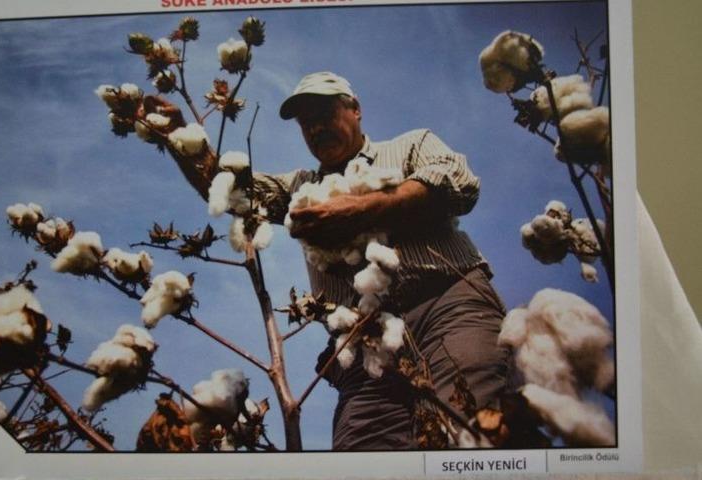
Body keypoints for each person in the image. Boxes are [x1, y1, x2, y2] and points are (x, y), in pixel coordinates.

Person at [160, 71, 510, 450]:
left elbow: (458, 181)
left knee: (469, 437)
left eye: (324, 114)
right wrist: (179, 137)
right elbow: (232, 193)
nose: (315, 127)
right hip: (363, 349)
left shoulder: (410, 146)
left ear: (355, 109)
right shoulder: (299, 189)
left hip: (446, 310)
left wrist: (362, 210)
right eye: (306, 123)